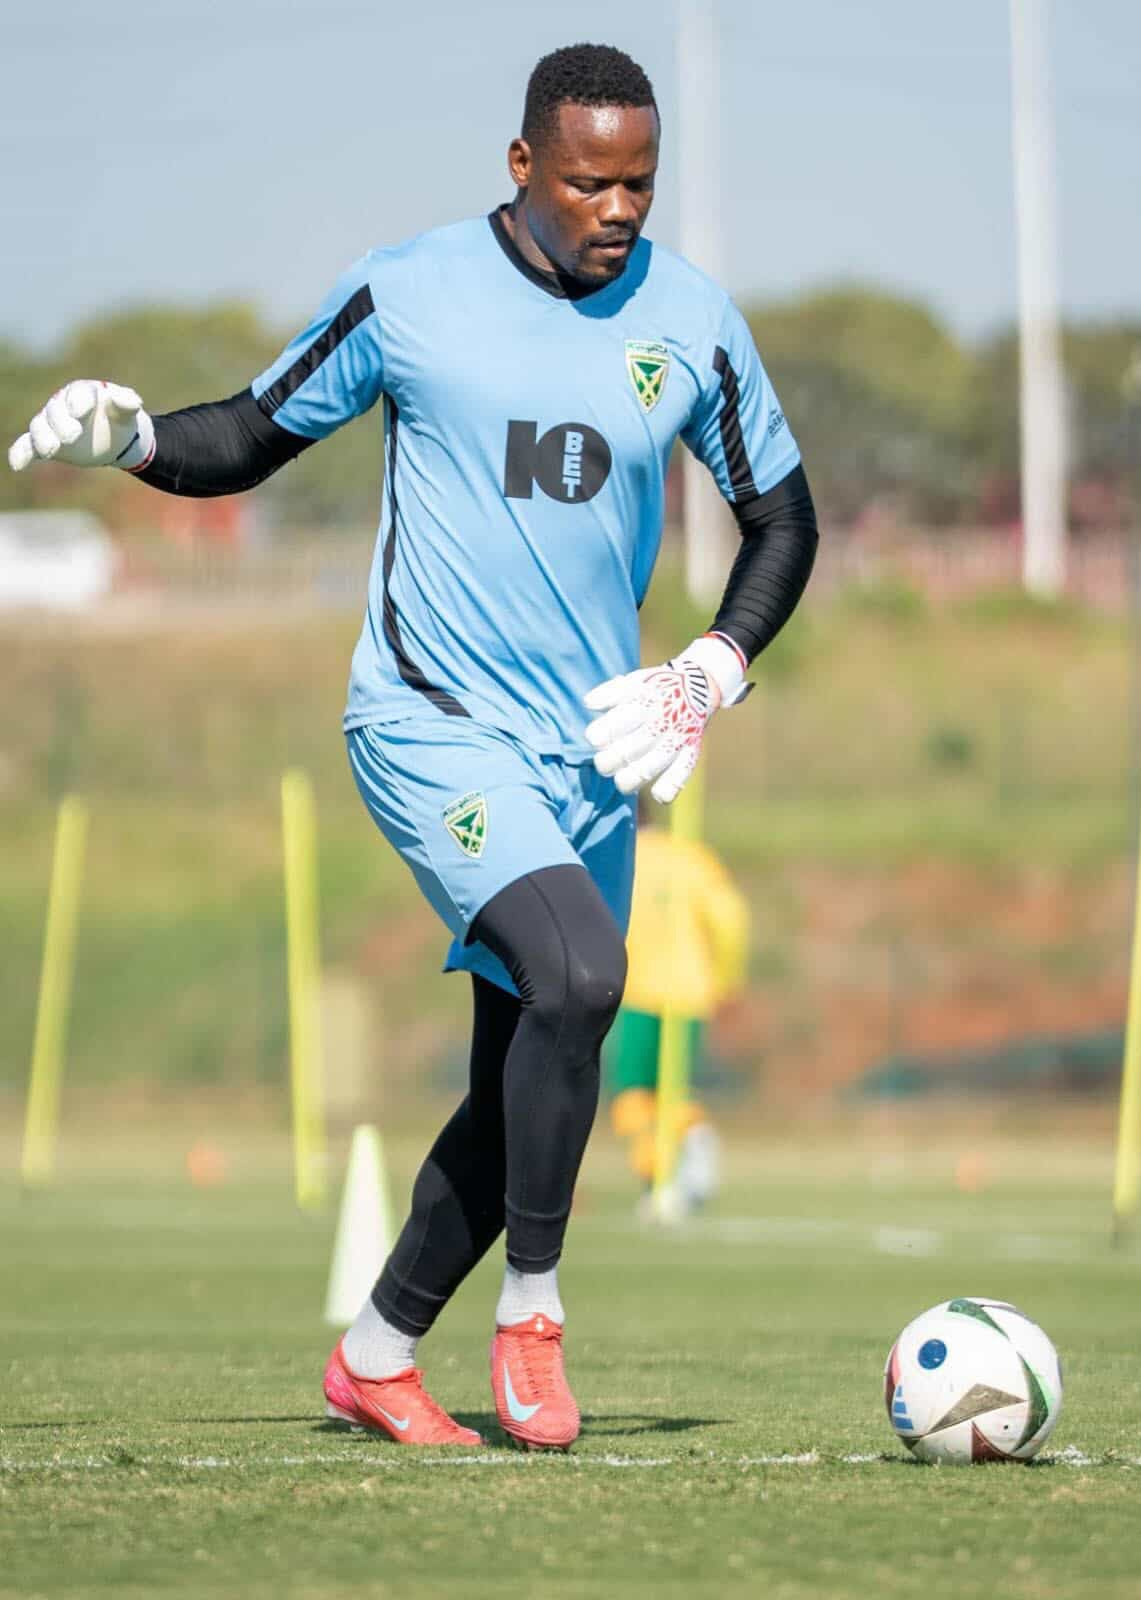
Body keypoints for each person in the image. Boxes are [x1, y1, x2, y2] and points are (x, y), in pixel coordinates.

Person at [9, 42, 818, 1451]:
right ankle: (534, 1320)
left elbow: (787, 521)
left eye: (638, 181)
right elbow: (252, 435)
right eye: (586, 182)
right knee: (580, 974)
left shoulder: (693, 321)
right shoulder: (409, 290)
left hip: (594, 756)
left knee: (532, 1066)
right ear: (522, 167)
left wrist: (710, 667)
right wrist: (131, 436)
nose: (617, 208)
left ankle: (378, 1356)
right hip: (428, 722)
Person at [608, 799, 750, 1214]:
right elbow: (730, 917)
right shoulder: (690, 857)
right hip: (689, 993)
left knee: (634, 1098)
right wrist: (726, 978)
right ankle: (681, 1165)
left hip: (638, 993)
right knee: (669, 1093)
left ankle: (671, 1169)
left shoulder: (619, 861)